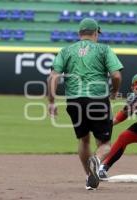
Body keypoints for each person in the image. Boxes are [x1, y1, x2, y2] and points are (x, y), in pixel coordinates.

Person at [47, 18, 123, 190]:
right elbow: (116, 75)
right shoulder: (104, 49)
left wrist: (52, 102)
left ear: (79, 34)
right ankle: (96, 161)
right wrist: (114, 92)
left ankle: (90, 178)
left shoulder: (66, 51)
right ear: (96, 33)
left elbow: (53, 77)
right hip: (97, 99)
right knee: (104, 144)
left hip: (74, 101)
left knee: (83, 139)